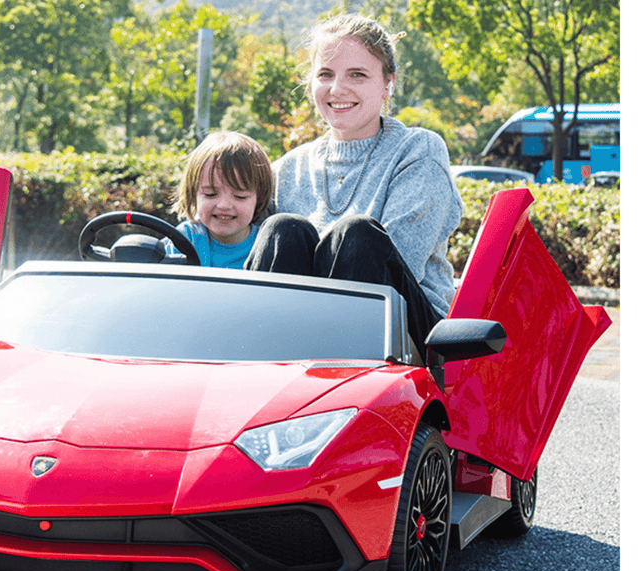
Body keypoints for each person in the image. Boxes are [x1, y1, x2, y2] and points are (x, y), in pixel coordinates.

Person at [246, 14, 464, 352]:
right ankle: (262, 364)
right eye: (325, 74)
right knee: (282, 229)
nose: (337, 89)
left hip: (407, 334)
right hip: (297, 335)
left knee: (357, 234)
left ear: (388, 84)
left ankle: (336, 368)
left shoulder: (418, 151)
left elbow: (399, 262)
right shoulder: (288, 169)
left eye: (357, 75)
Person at [168, 131, 274, 269]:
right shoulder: (186, 238)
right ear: (193, 194)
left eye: (240, 196)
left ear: (259, 198)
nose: (224, 205)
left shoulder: (267, 245)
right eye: (210, 194)